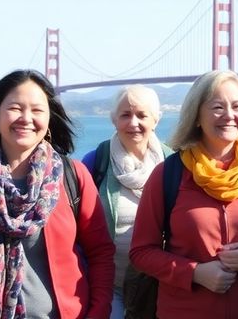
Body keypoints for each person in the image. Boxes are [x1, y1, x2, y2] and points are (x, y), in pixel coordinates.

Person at [128, 70, 238, 319]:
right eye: (217, 107)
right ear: (197, 116)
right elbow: (141, 252)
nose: (229, 115)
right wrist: (194, 273)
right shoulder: (168, 174)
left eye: (237, 106)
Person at [0, 69, 114, 319]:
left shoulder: (72, 176)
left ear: (49, 119)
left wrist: (97, 313)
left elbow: (100, 254)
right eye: (15, 108)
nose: (26, 118)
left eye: (37, 110)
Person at [81, 85, 173, 319]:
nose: (133, 123)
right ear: (114, 119)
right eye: (125, 115)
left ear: (156, 119)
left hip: (161, 284)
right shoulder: (95, 163)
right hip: (109, 284)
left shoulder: (173, 164)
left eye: (142, 115)